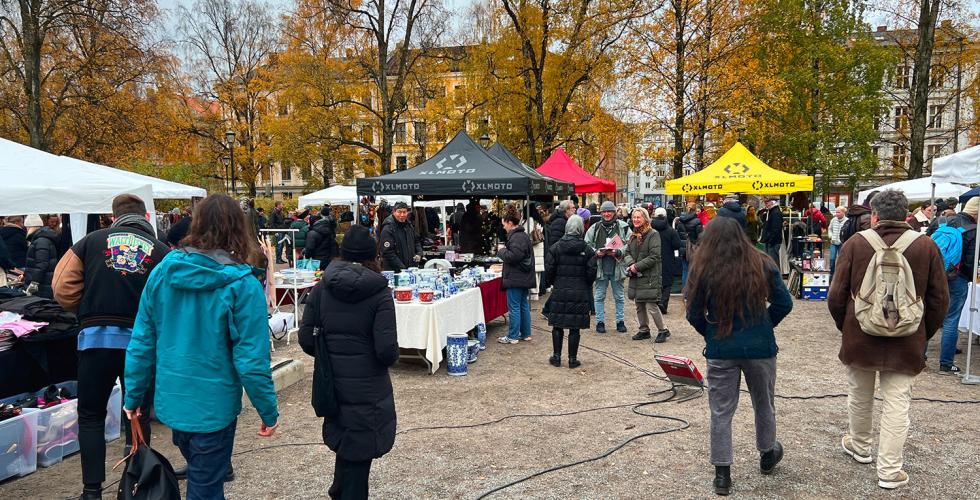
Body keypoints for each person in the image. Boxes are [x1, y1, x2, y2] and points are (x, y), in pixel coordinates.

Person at [123, 194, 280, 500]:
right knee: (205, 487)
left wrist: (133, 394)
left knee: (202, 478)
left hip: (175, 400)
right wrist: (268, 411)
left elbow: (142, 340)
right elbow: (251, 359)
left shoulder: (163, 272)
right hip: (212, 406)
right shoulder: (242, 284)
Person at [50, 194, 169, 500]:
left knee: (91, 415)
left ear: (113, 217)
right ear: (145, 215)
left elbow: (61, 285)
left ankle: (92, 491)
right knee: (137, 413)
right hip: (140, 344)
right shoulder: (161, 251)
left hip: (96, 338)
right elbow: (170, 299)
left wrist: (87, 308)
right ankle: (135, 482)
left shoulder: (90, 242)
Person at [828, 189, 949, 490]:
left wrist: (848, 327)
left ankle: (860, 446)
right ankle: (890, 470)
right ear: (907, 215)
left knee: (860, 394)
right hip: (906, 339)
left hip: (860, 335)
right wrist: (922, 333)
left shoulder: (856, 244)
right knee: (897, 403)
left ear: (875, 215)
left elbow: (836, 296)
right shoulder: (926, 246)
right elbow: (939, 301)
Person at [685, 216, 793, 496]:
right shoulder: (762, 262)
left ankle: (722, 474)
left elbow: (693, 313)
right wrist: (765, 324)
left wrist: (711, 333)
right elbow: (784, 302)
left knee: (720, 411)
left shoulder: (702, 268)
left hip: (722, 347)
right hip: (759, 347)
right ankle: (768, 453)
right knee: (764, 403)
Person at [299, 224, 398, 500]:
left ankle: (338, 490)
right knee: (358, 451)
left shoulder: (321, 289)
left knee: (347, 444)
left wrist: (330, 356)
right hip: (367, 387)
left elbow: (306, 339)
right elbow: (386, 350)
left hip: (332, 383)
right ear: (372, 254)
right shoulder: (379, 294)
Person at [926, 196, 978, 374]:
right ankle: (946, 364)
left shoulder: (940, 221)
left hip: (933, 274)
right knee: (951, 319)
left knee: (928, 314)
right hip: (957, 278)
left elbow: (925, 245)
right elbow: (971, 262)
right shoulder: (974, 230)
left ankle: (919, 357)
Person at [545, 215, 596, 368]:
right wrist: (585, 284)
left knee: (557, 325)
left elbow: (549, 269)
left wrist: (555, 282)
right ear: (581, 229)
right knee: (575, 327)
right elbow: (591, 272)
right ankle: (572, 359)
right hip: (579, 291)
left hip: (560, 290)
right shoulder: (587, 250)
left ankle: (556, 357)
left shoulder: (556, 248)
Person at [623, 207, 670, 342]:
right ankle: (644, 329)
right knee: (639, 303)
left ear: (645, 218)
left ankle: (663, 330)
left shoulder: (653, 234)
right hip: (637, 275)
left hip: (650, 275)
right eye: (634, 217)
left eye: (638, 217)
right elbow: (627, 253)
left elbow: (654, 256)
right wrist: (631, 264)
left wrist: (636, 266)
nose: (636, 220)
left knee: (651, 304)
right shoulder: (633, 235)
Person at [584, 201, 631, 333]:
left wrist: (619, 251)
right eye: (604, 211)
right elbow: (586, 244)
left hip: (618, 267)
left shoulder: (624, 226)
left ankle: (620, 321)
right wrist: (595, 252)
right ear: (601, 213)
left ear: (614, 212)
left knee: (619, 297)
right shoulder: (595, 227)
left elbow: (630, 243)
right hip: (600, 267)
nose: (607, 214)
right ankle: (600, 322)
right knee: (599, 296)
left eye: (609, 211)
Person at [497, 210, 536, 344]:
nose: (503, 227)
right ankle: (526, 333)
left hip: (515, 277)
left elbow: (513, 256)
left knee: (514, 307)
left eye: (504, 224)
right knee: (523, 305)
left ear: (509, 222)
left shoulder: (516, 237)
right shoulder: (522, 235)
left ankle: (513, 336)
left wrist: (501, 251)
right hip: (523, 277)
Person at [652, 207, 682, 313]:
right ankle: (663, 303)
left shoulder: (650, 229)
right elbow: (677, 245)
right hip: (668, 258)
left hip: (653, 259)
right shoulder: (671, 230)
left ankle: (656, 302)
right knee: (667, 283)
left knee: (655, 281)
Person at [379, 202, 422, 272]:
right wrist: (402, 268)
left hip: (409, 269)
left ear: (407, 213)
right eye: (399, 212)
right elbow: (387, 252)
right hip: (394, 271)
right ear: (394, 212)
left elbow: (416, 241)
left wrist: (419, 253)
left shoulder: (409, 226)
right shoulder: (388, 228)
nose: (402, 215)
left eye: (404, 212)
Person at [24, 223, 60, 298]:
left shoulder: (41, 241)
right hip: (44, 282)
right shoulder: (42, 240)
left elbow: (42, 264)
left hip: (42, 284)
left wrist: (34, 282)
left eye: (27, 227)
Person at [675, 205, 703, 287]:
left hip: (683, 249)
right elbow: (700, 237)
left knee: (685, 270)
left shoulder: (680, 221)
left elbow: (679, 235)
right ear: (695, 211)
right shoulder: (697, 221)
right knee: (695, 270)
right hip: (694, 249)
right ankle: (693, 292)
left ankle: (685, 293)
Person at [528, 203, 547, 301]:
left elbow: (529, 232)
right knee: (537, 272)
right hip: (539, 246)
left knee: (534, 271)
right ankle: (537, 291)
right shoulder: (539, 219)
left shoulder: (530, 220)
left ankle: (534, 293)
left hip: (534, 247)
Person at [760, 199, 783, 268]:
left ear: (772, 203)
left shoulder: (775, 212)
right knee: (771, 261)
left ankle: (774, 276)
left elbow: (776, 229)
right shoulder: (772, 211)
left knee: (773, 261)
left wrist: (770, 240)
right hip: (771, 240)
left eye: (767, 203)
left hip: (773, 242)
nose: (765, 204)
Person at [828, 206, 846, 275]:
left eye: (838, 212)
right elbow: (829, 229)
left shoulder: (847, 221)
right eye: (836, 212)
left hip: (842, 243)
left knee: (841, 259)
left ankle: (839, 274)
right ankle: (831, 274)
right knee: (832, 259)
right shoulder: (833, 220)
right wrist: (830, 235)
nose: (837, 214)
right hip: (833, 242)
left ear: (843, 212)